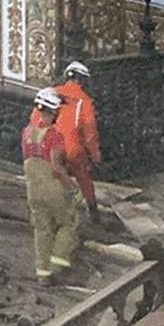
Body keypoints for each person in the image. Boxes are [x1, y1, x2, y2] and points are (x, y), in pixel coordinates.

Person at [22, 88, 80, 284]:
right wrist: (73, 187)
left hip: (33, 189)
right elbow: (56, 167)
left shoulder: (27, 132)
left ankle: (43, 274)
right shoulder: (54, 135)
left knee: (42, 229)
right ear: (53, 110)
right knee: (69, 222)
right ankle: (58, 264)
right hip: (52, 188)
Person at [55, 60, 102, 221]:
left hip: (52, 145)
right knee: (83, 177)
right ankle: (92, 211)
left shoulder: (54, 93)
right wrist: (95, 156)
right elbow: (90, 134)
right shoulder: (84, 102)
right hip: (73, 148)